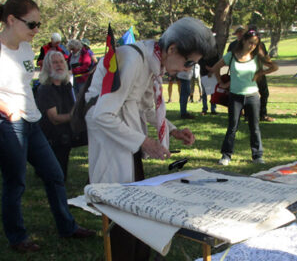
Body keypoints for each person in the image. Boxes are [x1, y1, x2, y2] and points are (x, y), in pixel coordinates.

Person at [0, 0, 94, 253]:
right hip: (7, 122)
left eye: (39, 24)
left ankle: (67, 227)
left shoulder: (26, 47)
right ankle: (17, 237)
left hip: (31, 120)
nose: (37, 30)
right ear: (11, 20)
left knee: (54, 174)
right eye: (32, 24)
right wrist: (7, 109)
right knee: (17, 181)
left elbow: (25, 85)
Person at [85, 17, 213, 260]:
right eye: (188, 62)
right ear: (172, 48)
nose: (187, 69)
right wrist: (143, 142)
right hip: (113, 141)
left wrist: (171, 129)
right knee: (120, 210)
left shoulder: (150, 61)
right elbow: (102, 114)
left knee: (134, 204)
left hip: (127, 138)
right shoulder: (133, 59)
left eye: (192, 65)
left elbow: (145, 107)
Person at [213, 29, 278, 166]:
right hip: (235, 97)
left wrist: (260, 73)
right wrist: (222, 83)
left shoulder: (257, 57)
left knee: (254, 127)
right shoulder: (231, 56)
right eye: (250, 43)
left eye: (255, 44)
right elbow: (216, 68)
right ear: (243, 40)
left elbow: (274, 67)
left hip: (253, 96)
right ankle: (226, 155)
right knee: (232, 127)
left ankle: (257, 155)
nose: (252, 46)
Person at [35, 51, 74, 181]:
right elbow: (54, 119)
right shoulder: (45, 88)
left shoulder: (66, 85)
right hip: (52, 136)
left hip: (66, 133)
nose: (59, 65)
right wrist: (76, 116)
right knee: (57, 177)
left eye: (61, 62)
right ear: (47, 66)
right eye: (55, 62)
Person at [246, 25, 274, 122]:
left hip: (259, 73)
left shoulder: (260, 45)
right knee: (250, 94)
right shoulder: (256, 45)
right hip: (252, 73)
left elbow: (266, 58)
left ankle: (261, 114)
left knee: (263, 93)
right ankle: (253, 115)